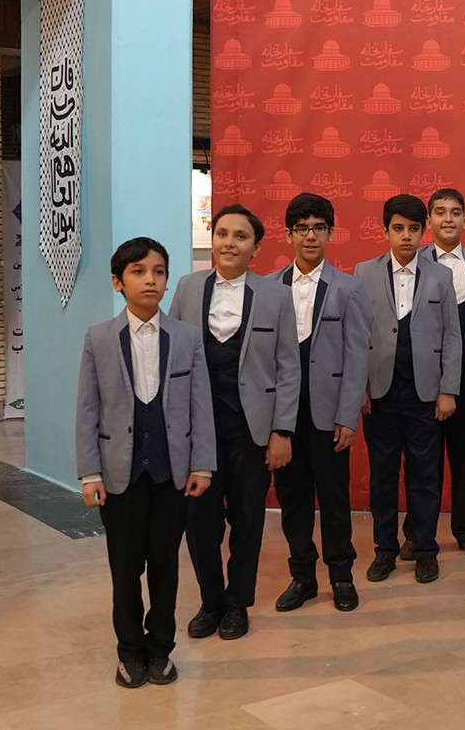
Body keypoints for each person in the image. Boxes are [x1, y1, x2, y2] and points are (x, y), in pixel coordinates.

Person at [76, 237, 215, 687]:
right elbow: (88, 409)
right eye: (138, 272)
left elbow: (200, 406)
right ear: (118, 282)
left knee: (165, 566)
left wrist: (202, 465)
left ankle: (160, 649)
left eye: (158, 272)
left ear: (167, 280)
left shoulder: (186, 337)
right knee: (125, 568)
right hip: (120, 475)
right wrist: (90, 473)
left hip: (172, 475)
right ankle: (130, 651)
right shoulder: (99, 338)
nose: (150, 280)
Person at [169, 204, 300, 641]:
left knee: (248, 519)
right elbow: (172, 357)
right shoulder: (187, 288)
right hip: (198, 431)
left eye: (240, 236)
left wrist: (282, 430)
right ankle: (210, 602)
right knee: (200, 521)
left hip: (251, 429)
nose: (229, 243)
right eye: (222, 233)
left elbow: (288, 367)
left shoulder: (276, 296)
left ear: (256, 248)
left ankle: (237, 603)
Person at [269, 193, 372, 613]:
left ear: (330, 233)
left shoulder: (349, 288)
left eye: (318, 228)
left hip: (330, 417)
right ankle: (302, 577)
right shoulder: (268, 287)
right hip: (283, 418)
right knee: (292, 500)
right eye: (302, 229)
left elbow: (357, 356)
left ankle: (341, 576)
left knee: (333, 500)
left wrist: (348, 415)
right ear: (289, 235)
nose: (310, 236)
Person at [355, 193, 461, 585]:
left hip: (425, 394)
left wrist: (448, 389)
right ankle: (384, 551)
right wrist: (359, 388)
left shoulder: (441, 276)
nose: (406, 236)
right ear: (385, 230)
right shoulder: (363, 272)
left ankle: (425, 550)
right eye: (398, 228)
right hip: (380, 392)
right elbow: (355, 335)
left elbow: (452, 336)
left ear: (423, 231)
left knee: (425, 476)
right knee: (382, 476)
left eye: (413, 229)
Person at [399, 187, 465, 560]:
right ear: (428, 221)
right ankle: (417, 534)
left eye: (455, 212)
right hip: (424, 379)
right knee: (422, 461)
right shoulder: (413, 263)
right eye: (440, 212)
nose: (448, 218)